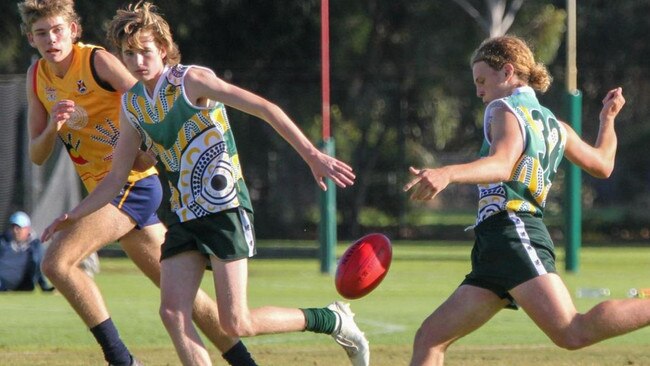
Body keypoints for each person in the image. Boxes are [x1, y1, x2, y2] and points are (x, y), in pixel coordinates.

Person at [42, 2, 368, 365]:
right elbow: (116, 178)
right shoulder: (133, 104)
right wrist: (74, 215)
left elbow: (264, 108)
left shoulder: (191, 80)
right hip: (183, 216)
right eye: (129, 54)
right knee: (173, 314)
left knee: (236, 321)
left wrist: (312, 154)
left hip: (224, 208)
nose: (137, 62)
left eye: (145, 52)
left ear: (162, 50)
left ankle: (332, 319)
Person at [18, 1, 258, 365]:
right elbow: (37, 153)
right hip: (106, 189)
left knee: (56, 263)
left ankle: (120, 360)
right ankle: (245, 361)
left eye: (57, 30)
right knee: (182, 300)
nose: (51, 39)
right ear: (30, 38)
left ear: (73, 30)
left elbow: (147, 97)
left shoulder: (97, 62)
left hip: (133, 183)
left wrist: (149, 148)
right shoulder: (37, 77)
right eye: (41, 33)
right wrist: (53, 127)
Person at [403, 35, 650, 366]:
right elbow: (603, 164)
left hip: (513, 230)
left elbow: (503, 164)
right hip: (497, 243)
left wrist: (447, 173)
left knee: (572, 331)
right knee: (431, 338)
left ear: (506, 72)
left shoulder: (503, 109)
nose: (478, 91)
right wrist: (607, 120)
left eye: (481, 81)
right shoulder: (555, 124)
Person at [0, 211, 54, 292]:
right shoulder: (3, 241)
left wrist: (44, 286)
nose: (15, 231)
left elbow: (38, 265)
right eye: (13, 227)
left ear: (27, 229)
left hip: (24, 286)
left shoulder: (36, 246)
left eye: (19, 227)